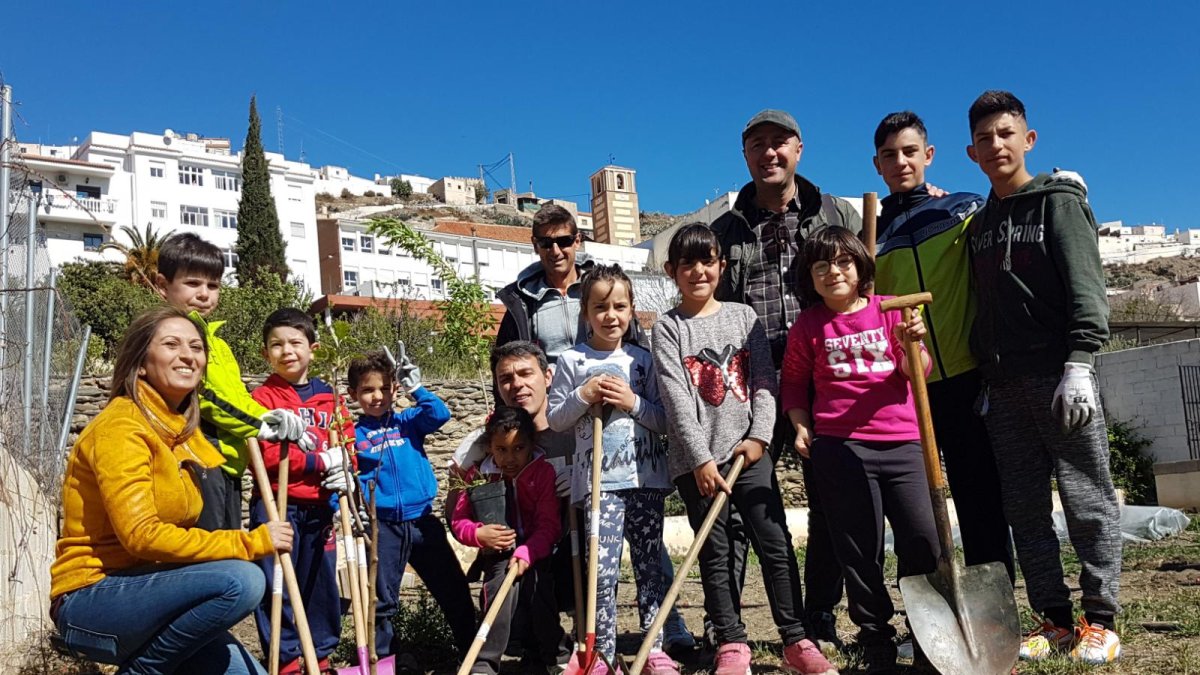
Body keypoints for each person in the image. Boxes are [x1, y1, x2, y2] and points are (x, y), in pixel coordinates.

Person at [965, 90, 1122, 665]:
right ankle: (1054, 618)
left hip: (1062, 379)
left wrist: (1080, 362)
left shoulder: (1058, 202)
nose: (996, 145)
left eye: (1006, 134)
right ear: (971, 152)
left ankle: (1100, 618)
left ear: (1028, 140)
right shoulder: (979, 224)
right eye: (985, 138)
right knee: (1025, 509)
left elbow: (1087, 282)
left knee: (1087, 498)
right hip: (1003, 387)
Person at [492, 203, 692, 652]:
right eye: (547, 242)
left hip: (633, 452)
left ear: (577, 240)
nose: (556, 249)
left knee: (646, 551)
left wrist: (631, 399)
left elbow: (658, 405)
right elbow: (509, 365)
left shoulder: (627, 335)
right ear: (536, 245)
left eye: (564, 240)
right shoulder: (524, 300)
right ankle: (587, 637)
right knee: (586, 545)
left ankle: (661, 634)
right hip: (564, 431)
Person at [50, 305, 292, 674]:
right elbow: (141, 536)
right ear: (141, 363)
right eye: (171, 344)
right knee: (241, 581)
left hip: (151, 589)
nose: (188, 355)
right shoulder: (122, 428)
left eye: (196, 347)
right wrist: (249, 542)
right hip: (91, 597)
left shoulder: (179, 433)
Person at [653, 223, 838, 675]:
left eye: (707, 261)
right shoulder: (667, 328)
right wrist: (699, 459)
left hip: (747, 454)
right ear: (671, 271)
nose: (699, 271)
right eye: (687, 264)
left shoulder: (744, 317)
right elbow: (677, 399)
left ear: (721, 265)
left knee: (773, 540)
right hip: (697, 464)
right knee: (716, 551)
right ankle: (732, 643)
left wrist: (759, 437)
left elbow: (763, 383)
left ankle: (796, 638)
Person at [711, 109, 861, 647]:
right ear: (745, 156)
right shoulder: (723, 233)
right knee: (740, 503)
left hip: (827, 379)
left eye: (780, 143)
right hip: (748, 385)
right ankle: (724, 622)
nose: (769, 153)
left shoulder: (836, 213)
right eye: (757, 145)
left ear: (799, 149)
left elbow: (866, 285)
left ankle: (818, 613)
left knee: (829, 499)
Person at [781, 226, 938, 673]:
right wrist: (800, 425)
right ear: (809, 276)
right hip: (841, 449)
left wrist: (914, 343)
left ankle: (928, 636)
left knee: (922, 541)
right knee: (859, 549)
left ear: (860, 266)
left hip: (903, 444)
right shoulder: (809, 325)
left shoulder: (890, 311)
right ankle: (877, 642)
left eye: (843, 262)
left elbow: (916, 371)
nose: (834, 272)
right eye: (821, 265)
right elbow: (793, 383)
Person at [870, 111, 1015, 580]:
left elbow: (1014, 213)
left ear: (928, 155)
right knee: (916, 505)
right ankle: (934, 601)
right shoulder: (872, 236)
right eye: (890, 155)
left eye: (910, 152)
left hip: (968, 374)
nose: (901, 162)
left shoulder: (962, 210)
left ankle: (994, 593)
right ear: (877, 164)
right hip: (909, 385)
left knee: (979, 491)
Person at [547, 264, 678, 675]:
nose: (611, 315)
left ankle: (653, 647)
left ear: (632, 309)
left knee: (649, 567)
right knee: (600, 574)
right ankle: (601, 652)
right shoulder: (572, 361)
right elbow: (555, 419)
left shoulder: (643, 360)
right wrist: (584, 395)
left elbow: (664, 419)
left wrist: (631, 401)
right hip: (598, 485)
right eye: (600, 306)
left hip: (645, 480)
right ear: (585, 312)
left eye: (620, 306)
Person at [154, 233, 311, 531]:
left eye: (213, 286)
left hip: (228, 465)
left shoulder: (218, 344)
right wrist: (260, 423)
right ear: (163, 285)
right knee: (211, 557)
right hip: (197, 461)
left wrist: (267, 417)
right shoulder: (167, 338)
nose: (204, 294)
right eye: (193, 284)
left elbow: (237, 395)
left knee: (228, 549)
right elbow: (205, 397)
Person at [347, 350, 477, 660]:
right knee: (381, 601)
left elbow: (439, 414)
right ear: (353, 394)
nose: (376, 396)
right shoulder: (353, 435)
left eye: (383, 388)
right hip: (384, 528)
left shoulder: (407, 422)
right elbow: (343, 476)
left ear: (393, 389)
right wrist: (351, 513)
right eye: (367, 390)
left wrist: (415, 389)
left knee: (453, 589)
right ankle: (385, 660)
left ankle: (474, 654)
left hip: (422, 521)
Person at [248, 308, 351, 673]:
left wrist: (345, 467)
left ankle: (318, 653)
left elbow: (346, 440)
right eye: (276, 345)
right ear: (265, 353)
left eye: (295, 342)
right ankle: (287, 655)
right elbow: (269, 455)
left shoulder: (329, 397)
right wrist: (319, 462)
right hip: (278, 505)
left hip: (320, 505)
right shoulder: (263, 398)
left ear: (313, 348)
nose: (286, 351)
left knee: (319, 578)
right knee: (276, 579)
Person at [450, 406, 567, 675]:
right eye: (501, 449)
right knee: (499, 584)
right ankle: (483, 663)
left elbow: (549, 526)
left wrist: (528, 551)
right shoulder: (479, 477)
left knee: (539, 591)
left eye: (519, 448)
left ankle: (552, 652)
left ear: (531, 445)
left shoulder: (543, 473)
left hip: (537, 552)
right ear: (490, 447)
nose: (510, 458)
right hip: (498, 555)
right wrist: (478, 534)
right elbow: (460, 521)